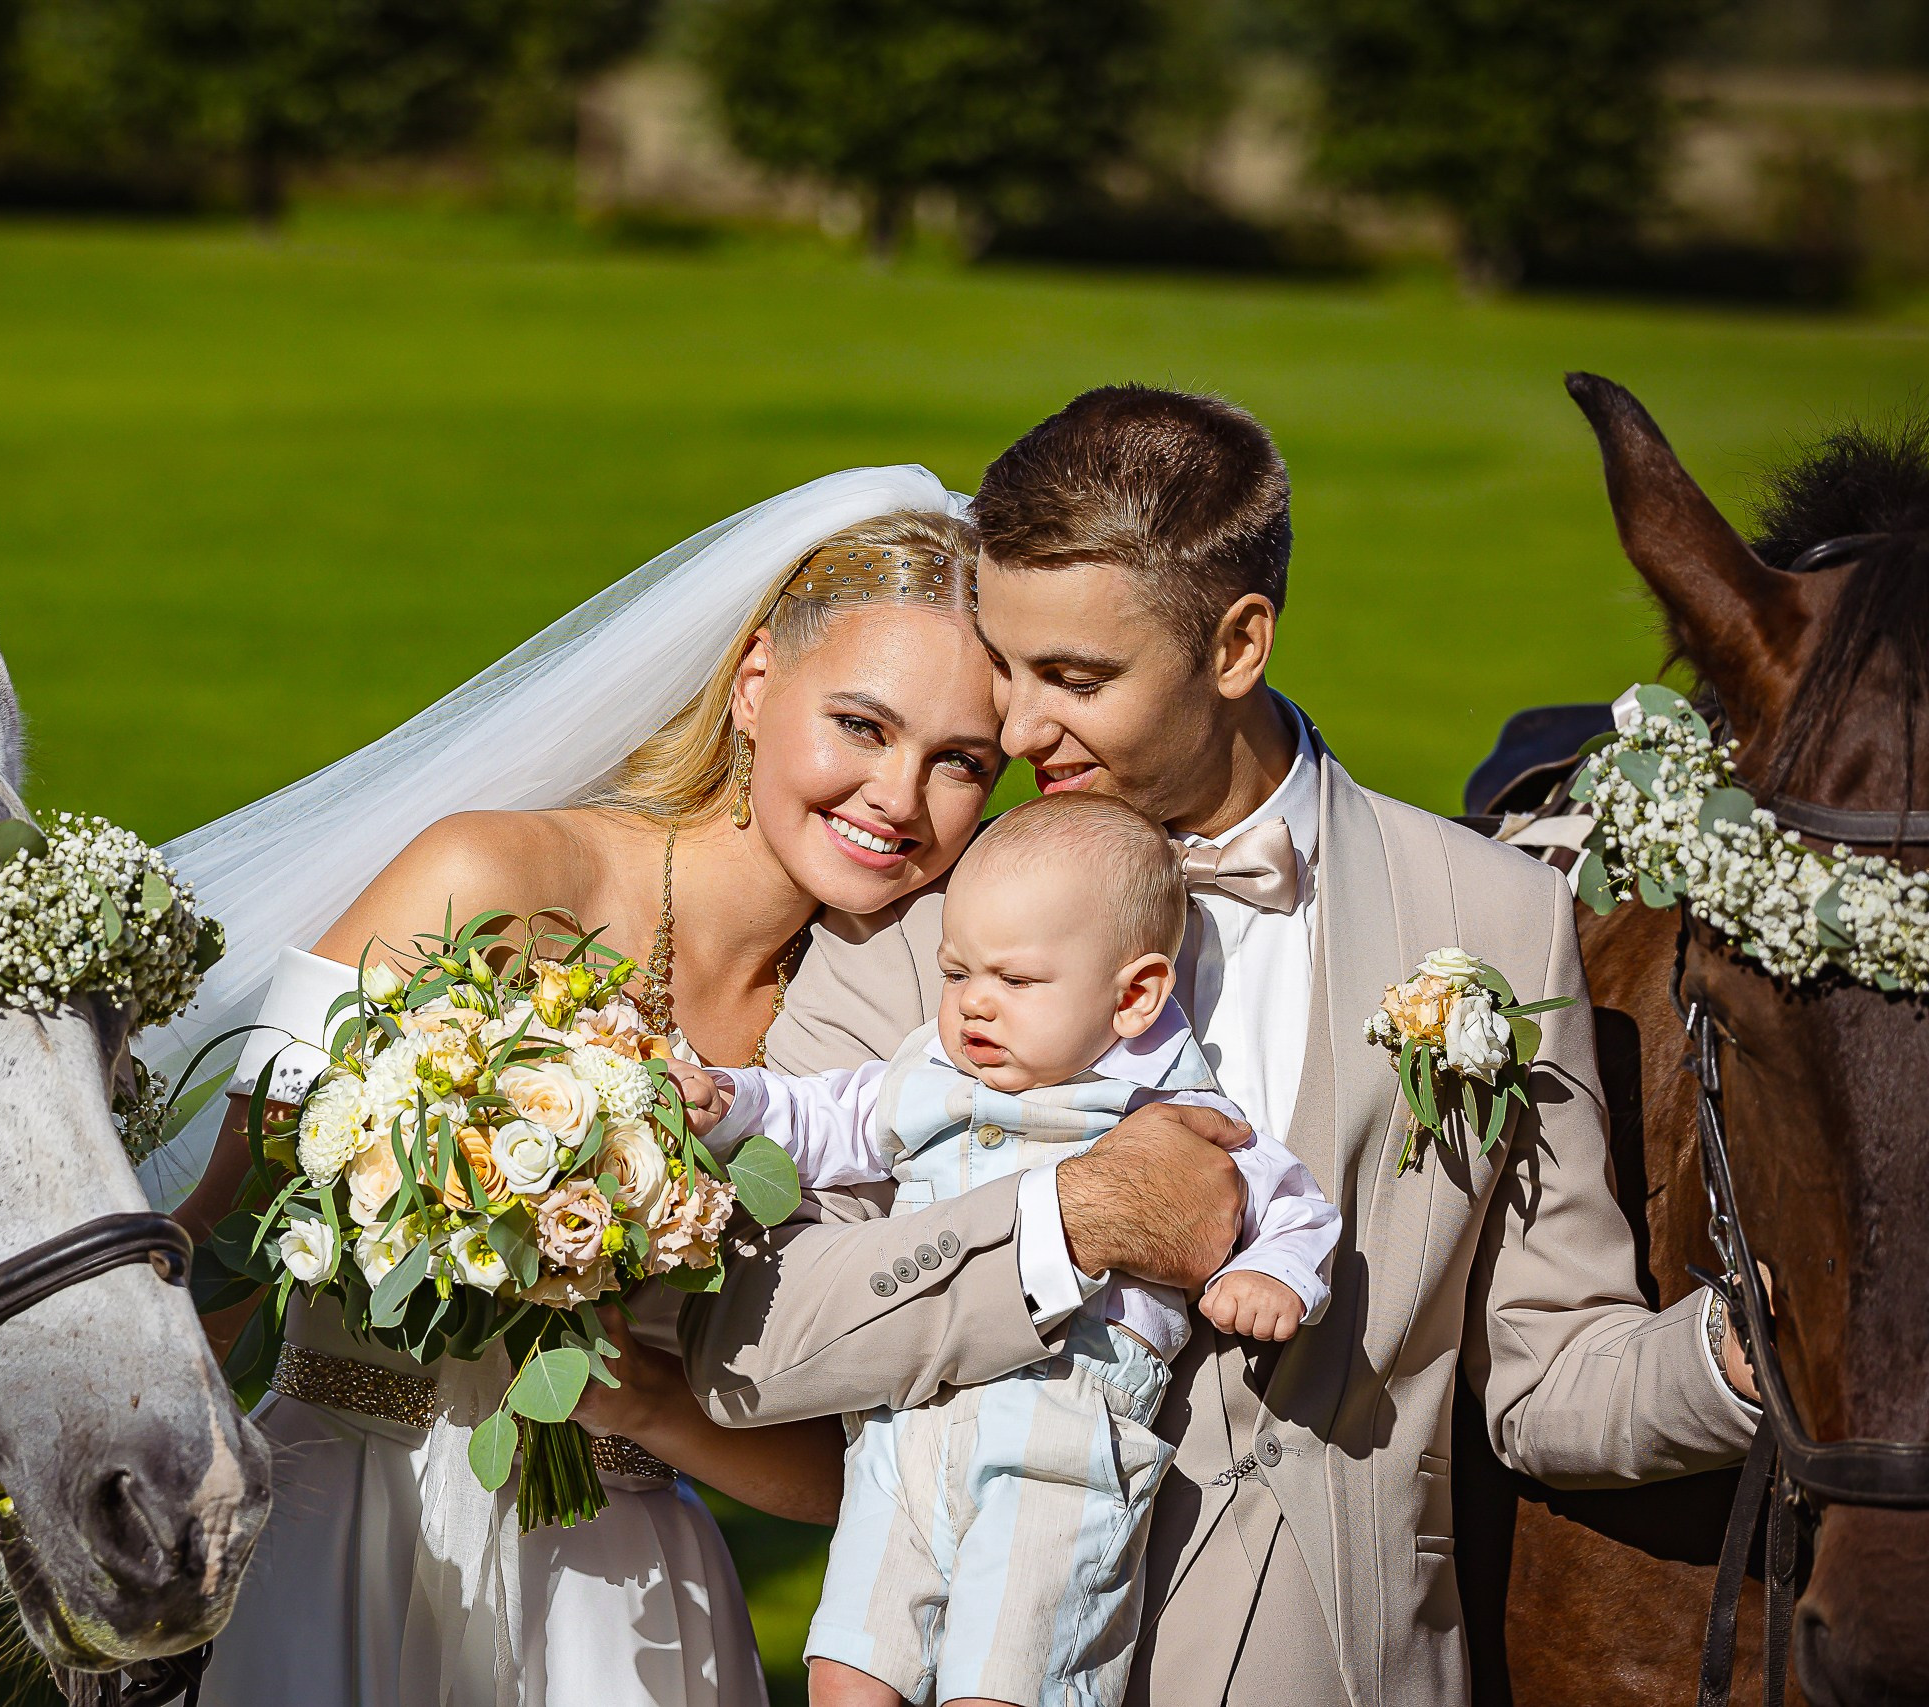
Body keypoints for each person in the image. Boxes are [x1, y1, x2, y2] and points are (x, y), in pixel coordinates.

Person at [677, 386, 1762, 1705]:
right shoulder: (919, 925)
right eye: (1008, 664)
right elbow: (750, 1343)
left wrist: (1752, 1355)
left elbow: (1548, 1375)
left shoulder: (1491, 913)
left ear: (1239, 641)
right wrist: (1067, 1216)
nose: (1016, 730)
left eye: (1076, 678)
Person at [128, 470, 1009, 1706]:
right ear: (756, 683)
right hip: (338, 1539)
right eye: (861, 725)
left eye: (961, 760)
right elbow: (223, 1228)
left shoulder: (903, 1036)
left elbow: (864, 1475)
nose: (897, 799)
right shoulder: (486, 877)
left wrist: (650, 1404)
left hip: (621, 1608)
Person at [674, 789, 1339, 1707]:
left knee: (1011, 1676)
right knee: (847, 1669)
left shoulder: (1174, 1111)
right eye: (956, 973)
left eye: (1015, 982)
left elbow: (1293, 1203)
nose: (973, 1005)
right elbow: (822, 1118)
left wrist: (1273, 1272)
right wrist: (732, 1102)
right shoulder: (928, 1073)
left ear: (1135, 994)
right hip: (901, 1431)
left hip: (1062, 1440)